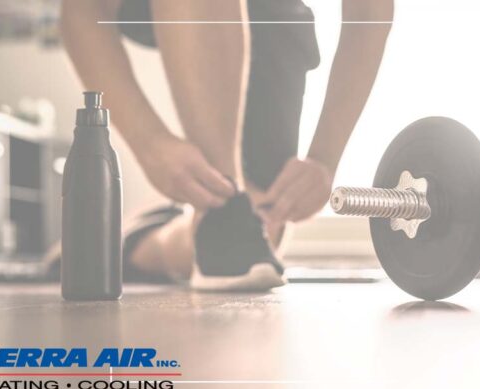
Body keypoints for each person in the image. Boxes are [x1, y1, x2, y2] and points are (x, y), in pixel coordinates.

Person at [60, 0, 393, 290]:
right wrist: (151, 145)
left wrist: (324, 159)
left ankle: (137, 239)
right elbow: (82, 9)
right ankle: (222, 210)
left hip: (272, 16)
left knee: (263, 226)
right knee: (231, 235)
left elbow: (368, 10)